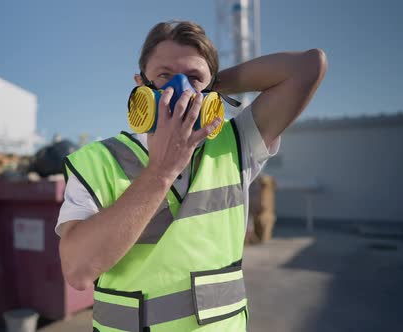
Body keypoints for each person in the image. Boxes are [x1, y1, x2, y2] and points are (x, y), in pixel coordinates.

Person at [56, 20, 327, 331]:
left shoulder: (237, 143)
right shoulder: (98, 161)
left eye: (193, 79)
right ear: (140, 84)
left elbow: (308, 66)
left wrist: (211, 85)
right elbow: (77, 271)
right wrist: (161, 172)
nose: (179, 90)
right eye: (165, 76)